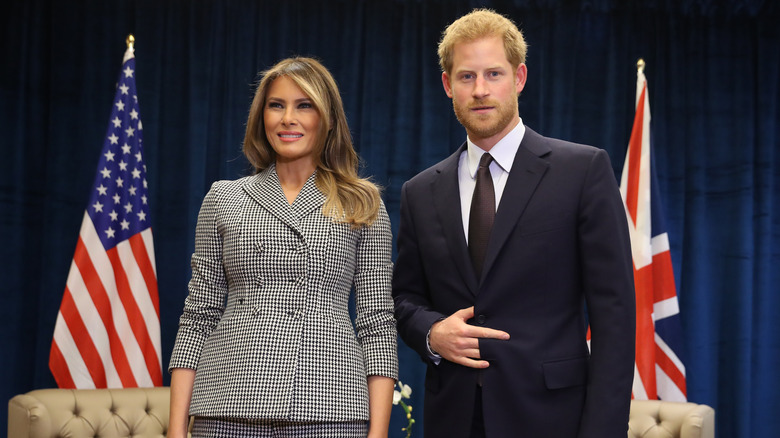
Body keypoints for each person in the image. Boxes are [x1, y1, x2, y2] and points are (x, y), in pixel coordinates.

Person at [392, 9, 635, 438]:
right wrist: (431, 332)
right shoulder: (419, 190)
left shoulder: (582, 170)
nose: (481, 90)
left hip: (553, 419)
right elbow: (406, 298)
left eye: (494, 74)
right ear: (448, 85)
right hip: (454, 418)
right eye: (466, 77)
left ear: (519, 77)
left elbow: (615, 315)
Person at [168, 57, 398, 438]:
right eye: (277, 105)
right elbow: (198, 316)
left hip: (331, 409)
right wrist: (176, 430)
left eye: (303, 105)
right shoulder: (224, 198)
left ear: (326, 118)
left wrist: (378, 434)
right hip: (228, 404)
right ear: (262, 116)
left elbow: (377, 325)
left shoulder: (363, 204)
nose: (287, 118)